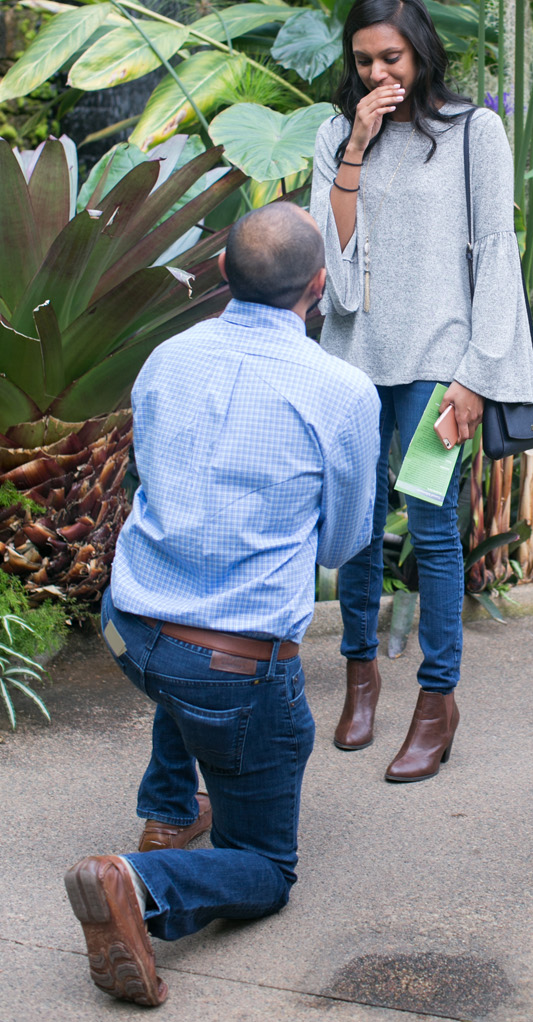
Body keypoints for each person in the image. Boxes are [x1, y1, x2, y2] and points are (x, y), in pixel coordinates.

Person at [64, 203, 380, 1008]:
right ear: (318, 286)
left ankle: (170, 809)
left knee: (189, 675)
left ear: (219, 276)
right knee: (267, 866)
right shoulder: (342, 391)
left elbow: (144, 476)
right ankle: (137, 882)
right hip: (231, 669)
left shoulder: (166, 359)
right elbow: (342, 547)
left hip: (129, 633)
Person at [310, 0, 533, 784]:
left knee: (434, 531)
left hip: (438, 363)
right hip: (352, 365)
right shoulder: (336, 131)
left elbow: (496, 251)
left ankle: (437, 701)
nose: (378, 73)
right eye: (364, 60)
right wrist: (355, 150)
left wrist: (478, 372)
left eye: (392, 58)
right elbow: (331, 264)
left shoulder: (475, 131)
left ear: (421, 50)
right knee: (358, 528)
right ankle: (361, 677)